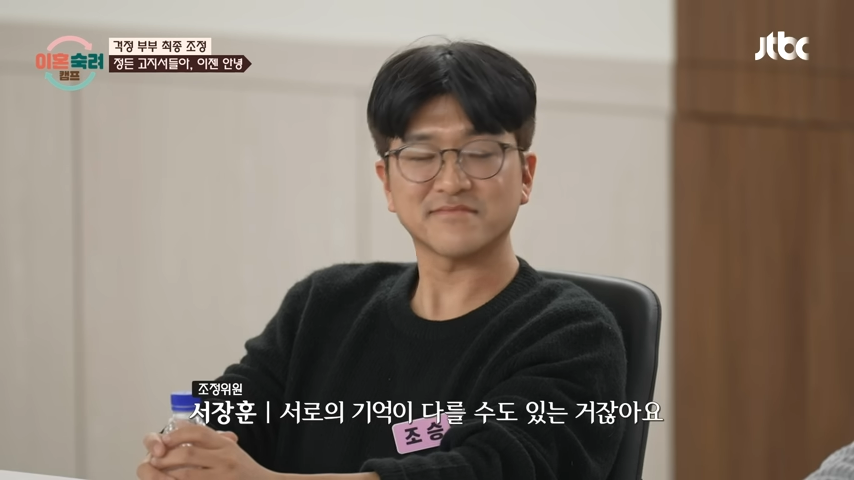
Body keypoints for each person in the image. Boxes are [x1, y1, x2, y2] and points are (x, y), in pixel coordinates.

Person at [137, 39, 628, 480]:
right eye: (420, 155)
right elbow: (233, 402)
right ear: (387, 183)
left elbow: (492, 469)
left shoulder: (574, 333)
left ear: (526, 175)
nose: (451, 181)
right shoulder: (322, 303)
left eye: (481, 152)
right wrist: (185, 448)